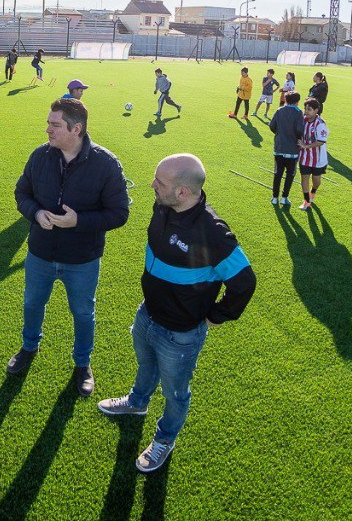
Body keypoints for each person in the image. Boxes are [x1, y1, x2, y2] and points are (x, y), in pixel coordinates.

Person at [97, 153, 256, 474]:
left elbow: (245, 283)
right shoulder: (164, 205)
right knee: (145, 364)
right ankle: (138, 402)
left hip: (181, 333)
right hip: (148, 315)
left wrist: (214, 316)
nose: (152, 185)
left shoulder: (212, 232)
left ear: (183, 191)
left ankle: (165, 438)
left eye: (160, 182)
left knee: (175, 392)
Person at [10, 99, 130, 396]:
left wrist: (78, 221)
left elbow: (119, 213)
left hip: (82, 260)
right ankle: (29, 347)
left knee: (82, 312)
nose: (47, 129)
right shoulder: (40, 156)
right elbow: (21, 193)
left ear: (76, 129)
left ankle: (82, 364)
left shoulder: (106, 164)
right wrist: (36, 214)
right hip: (40, 253)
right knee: (32, 303)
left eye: (55, 125)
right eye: (48, 122)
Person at [268, 91, 305, 206]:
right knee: (290, 174)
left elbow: (272, 126)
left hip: (279, 147)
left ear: (285, 99)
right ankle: (284, 197)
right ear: (297, 101)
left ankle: (274, 198)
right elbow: (300, 130)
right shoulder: (299, 113)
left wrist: (279, 134)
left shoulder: (279, 110)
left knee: (278, 173)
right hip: (293, 149)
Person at [298, 97, 329, 211]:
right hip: (304, 158)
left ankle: (313, 192)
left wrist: (306, 146)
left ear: (316, 110)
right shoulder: (302, 120)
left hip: (318, 159)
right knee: (304, 178)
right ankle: (306, 201)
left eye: (309, 109)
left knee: (316, 181)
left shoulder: (320, 124)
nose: (306, 112)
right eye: (305, 109)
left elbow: (321, 141)